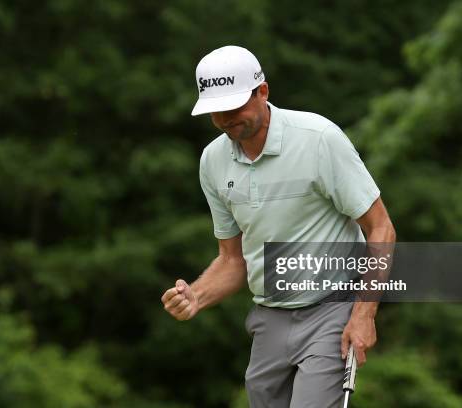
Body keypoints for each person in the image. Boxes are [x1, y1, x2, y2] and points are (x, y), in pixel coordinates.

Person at [161, 45, 396, 408]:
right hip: (269, 315)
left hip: (332, 306)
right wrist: (197, 296)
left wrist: (364, 315)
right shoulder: (213, 161)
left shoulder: (319, 139)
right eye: (216, 111)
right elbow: (232, 260)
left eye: (235, 106)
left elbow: (380, 228)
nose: (225, 118)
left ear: (263, 92)